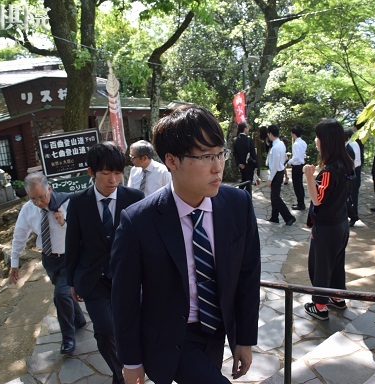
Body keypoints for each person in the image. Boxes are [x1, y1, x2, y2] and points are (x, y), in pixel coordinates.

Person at [111, 105, 261, 384]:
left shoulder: (238, 205)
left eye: (220, 153)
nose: (218, 167)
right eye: (205, 156)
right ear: (172, 160)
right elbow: (124, 299)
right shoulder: (138, 221)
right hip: (170, 338)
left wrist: (244, 338)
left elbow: (247, 275)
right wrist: (131, 361)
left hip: (216, 329)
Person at [65, 142, 144, 384]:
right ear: (91, 172)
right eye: (106, 173)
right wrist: (71, 281)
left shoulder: (134, 198)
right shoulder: (78, 202)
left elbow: (144, 241)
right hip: (93, 279)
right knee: (106, 329)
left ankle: (132, 367)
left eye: (118, 173)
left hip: (128, 278)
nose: (113, 179)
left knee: (133, 325)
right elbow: (72, 244)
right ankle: (120, 374)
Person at [10, 172, 86, 355]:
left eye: (41, 197)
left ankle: (68, 338)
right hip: (49, 259)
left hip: (70, 258)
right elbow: (19, 235)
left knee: (60, 295)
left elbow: (83, 230)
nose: (38, 202)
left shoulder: (67, 202)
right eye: (33, 198)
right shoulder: (28, 210)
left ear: (49, 189)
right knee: (65, 294)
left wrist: (64, 222)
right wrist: (14, 262)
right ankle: (79, 319)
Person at [303, 119, 354, 320]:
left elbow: (317, 199)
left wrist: (309, 176)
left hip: (326, 228)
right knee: (337, 263)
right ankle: (338, 297)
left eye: (318, 137)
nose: (315, 140)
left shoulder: (329, 171)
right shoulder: (347, 164)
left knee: (320, 266)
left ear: (326, 141)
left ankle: (320, 306)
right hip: (341, 223)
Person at [266, 125, 296, 226]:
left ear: (270, 134)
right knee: (274, 196)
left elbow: (275, 165)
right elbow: (284, 159)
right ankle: (274, 217)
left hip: (276, 173)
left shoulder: (276, 147)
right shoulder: (281, 144)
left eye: (268, 134)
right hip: (279, 172)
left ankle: (289, 217)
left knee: (275, 197)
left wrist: (270, 179)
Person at [232, 122, 258, 195]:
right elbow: (253, 153)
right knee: (248, 183)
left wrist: (239, 163)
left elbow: (235, 153)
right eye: (247, 128)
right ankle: (248, 198)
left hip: (241, 165)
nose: (248, 129)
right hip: (249, 164)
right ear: (244, 129)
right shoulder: (249, 140)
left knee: (243, 180)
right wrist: (256, 165)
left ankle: (238, 195)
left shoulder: (236, 140)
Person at [288, 126, 307, 211]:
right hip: (301, 165)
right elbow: (303, 155)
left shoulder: (296, 144)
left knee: (297, 186)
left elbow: (296, 157)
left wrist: (289, 161)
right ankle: (301, 202)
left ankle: (301, 204)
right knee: (300, 185)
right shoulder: (303, 142)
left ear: (294, 134)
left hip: (296, 166)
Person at [345, 128, 361, 227]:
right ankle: (353, 215)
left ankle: (354, 215)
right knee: (349, 196)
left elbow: (352, 162)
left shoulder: (351, 146)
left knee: (352, 196)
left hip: (352, 172)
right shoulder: (350, 145)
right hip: (352, 172)